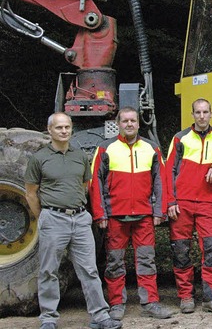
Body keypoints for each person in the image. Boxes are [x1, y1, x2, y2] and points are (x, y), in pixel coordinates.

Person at [24, 113, 122, 329]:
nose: (64, 131)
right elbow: (31, 193)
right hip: (53, 218)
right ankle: (49, 318)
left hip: (79, 219)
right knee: (49, 270)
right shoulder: (39, 158)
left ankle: (100, 315)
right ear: (49, 130)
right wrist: (45, 216)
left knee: (89, 269)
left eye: (67, 127)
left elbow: (85, 186)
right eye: (59, 127)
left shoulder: (80, 156)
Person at [90, 107, 174, 320]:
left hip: (144, 216)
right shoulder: (105, 148)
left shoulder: (151, 148)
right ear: (118, 123)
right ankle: (116, 304)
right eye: (125, 121)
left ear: (138, 123)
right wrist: (100, 214)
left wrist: (159, 211)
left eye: (133, 121)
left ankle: (151, 302)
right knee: (115, 262)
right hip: (116, 216)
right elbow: (95, 183)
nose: (129, 124)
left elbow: (160, 181)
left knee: (147, 260)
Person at [165, 98, 212, 314]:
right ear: (192, 115)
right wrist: (170, 201)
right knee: (182, 251)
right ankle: (186, 297)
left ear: (211, 114)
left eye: (205, 112)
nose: (202, 116)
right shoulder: (180, 138)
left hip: (207, 204)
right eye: (198, 112)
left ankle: (211, 298)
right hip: (182, 204)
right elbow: (168, 172)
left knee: (211, 250)